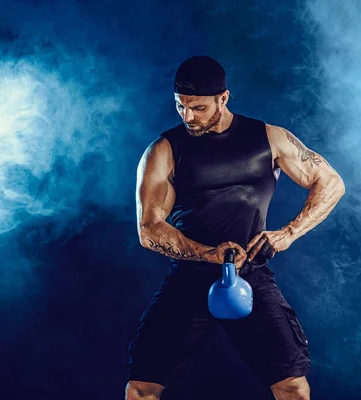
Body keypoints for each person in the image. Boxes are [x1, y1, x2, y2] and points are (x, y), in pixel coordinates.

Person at [125, 55, 345, 400]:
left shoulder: (269, 138)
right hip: (190, 278)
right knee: (141, 389)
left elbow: (330, 183)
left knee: (293, 388)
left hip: (251, 275)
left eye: (197, 108)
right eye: (180, 107)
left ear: (222, 99)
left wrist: (288, 233)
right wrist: (207, 254)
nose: (187, 116)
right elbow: (149, 228)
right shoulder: (164, 150)